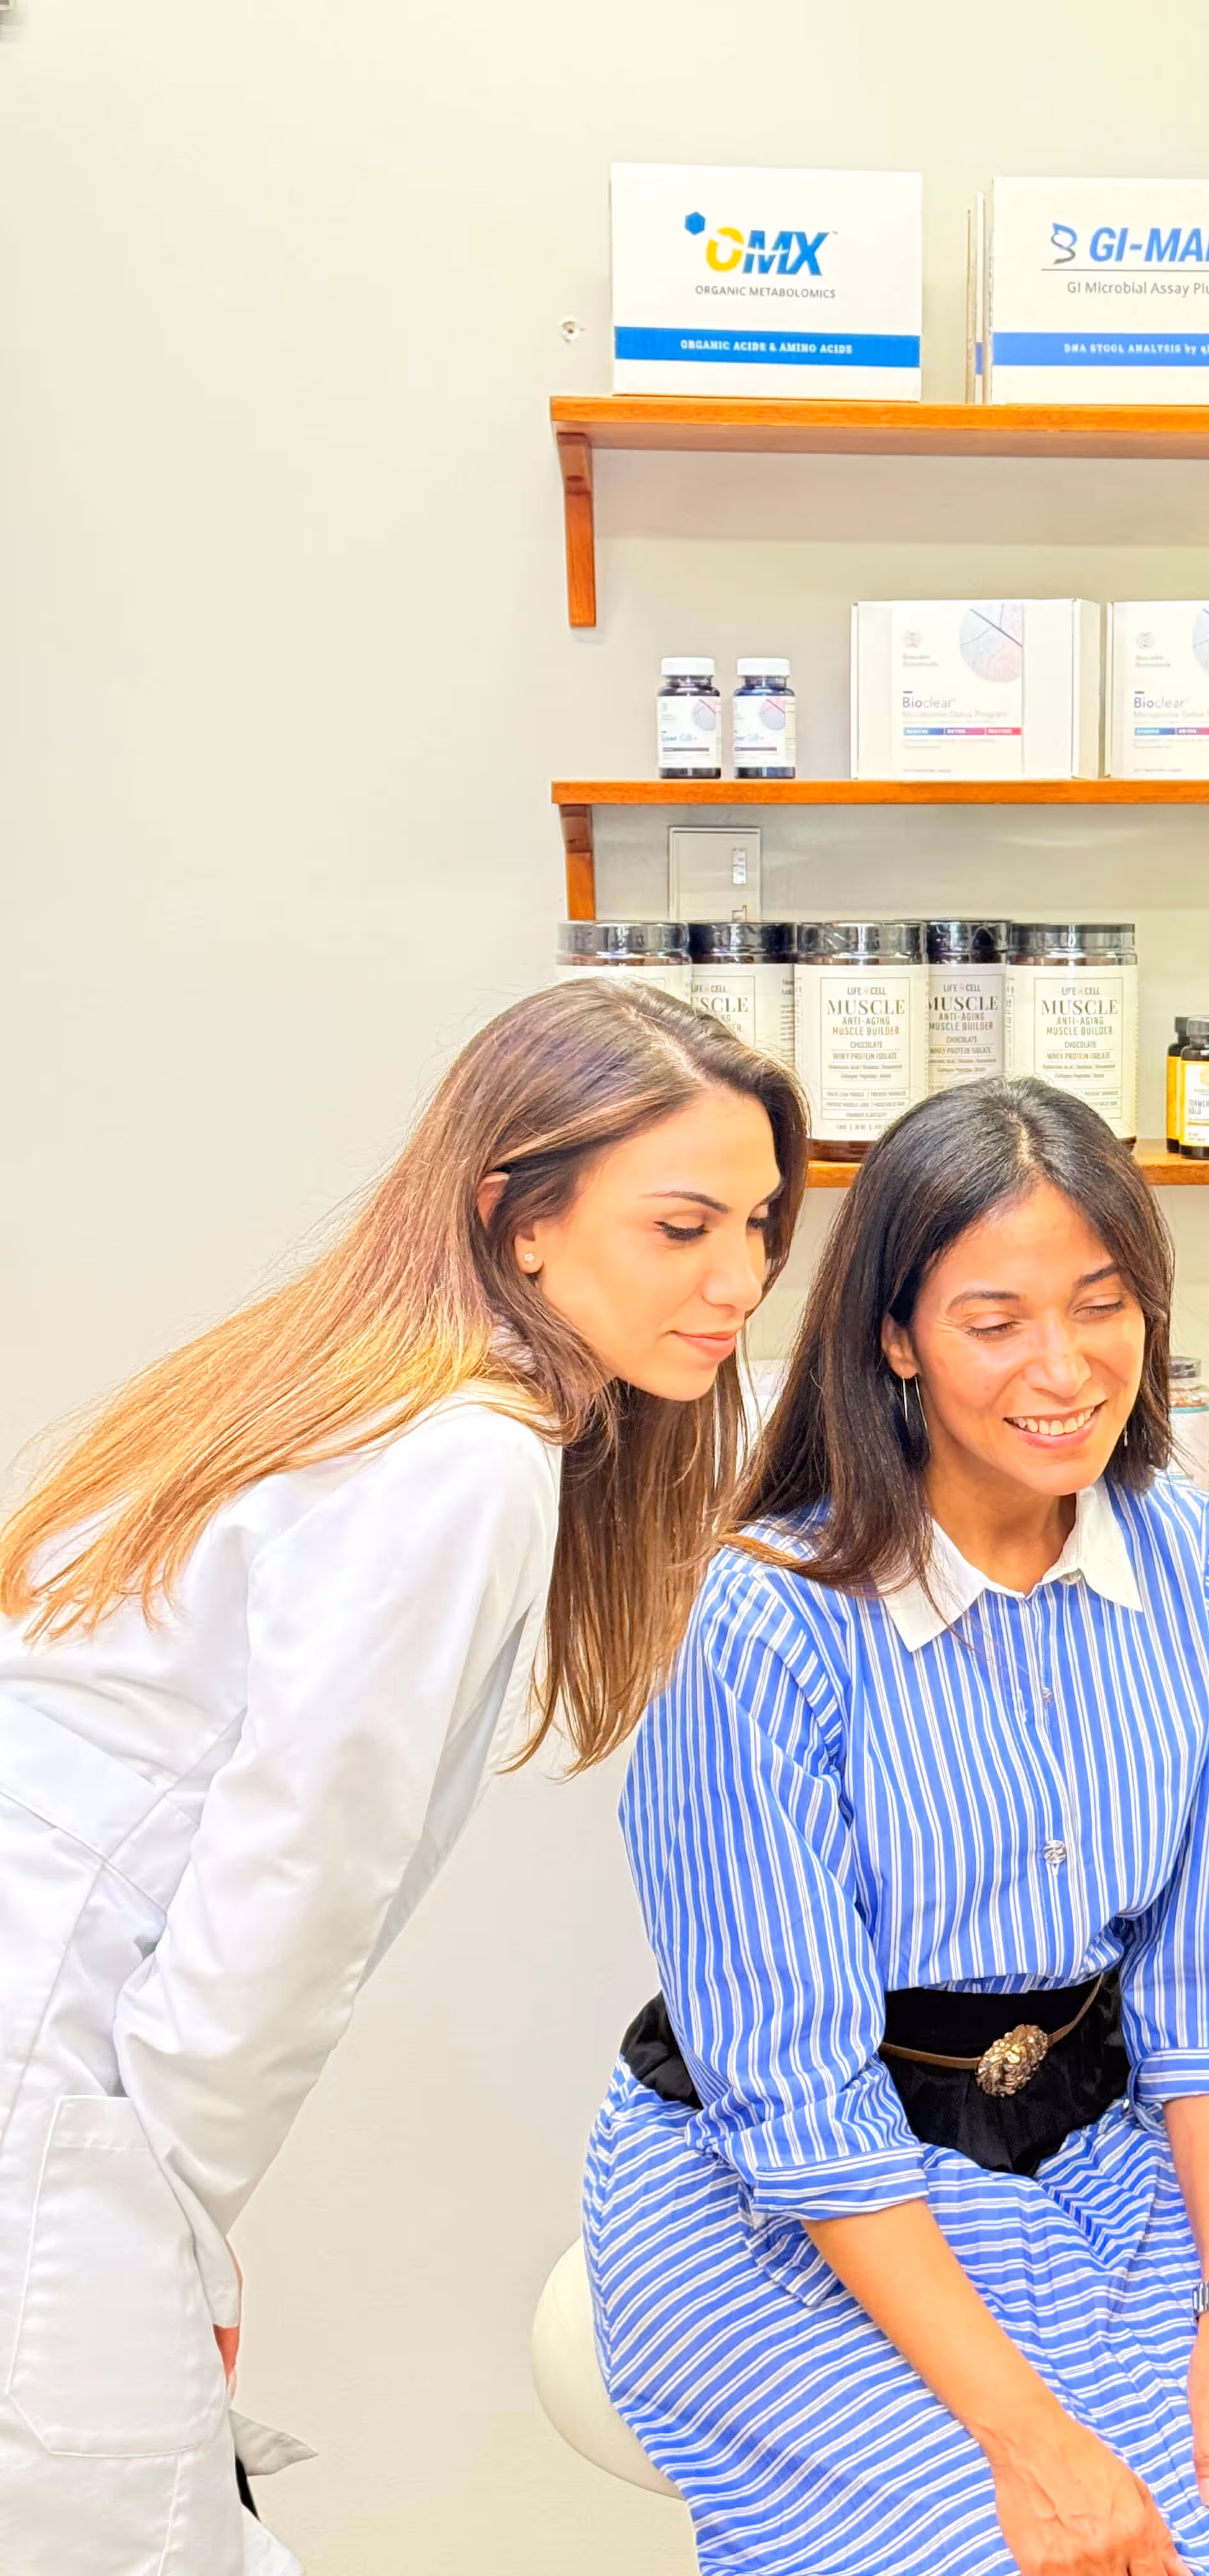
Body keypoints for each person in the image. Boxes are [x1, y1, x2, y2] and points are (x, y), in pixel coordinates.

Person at [0, 979, 806, 2576]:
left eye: (761, 1225)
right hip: (57, 2104)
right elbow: (291, 1897)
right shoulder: (463, 1456)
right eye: (683, 1228)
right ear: (519, 1219)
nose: (741, 1280)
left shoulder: (352, 1389)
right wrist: (180, 2248)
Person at [585, 1077, 1209, 2576]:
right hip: (791, 2211)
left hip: (1089, 2170)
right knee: (1018, 2548)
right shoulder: (764, 1623)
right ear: (896, 1338)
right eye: (994, 1321)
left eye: (1102, 1306)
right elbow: (794, 2094)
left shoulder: (1205, 1571)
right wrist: (1029, 2438)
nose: (1064, 1368)